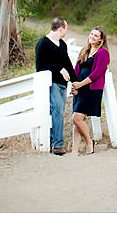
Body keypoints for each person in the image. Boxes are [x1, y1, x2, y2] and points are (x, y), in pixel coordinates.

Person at [34, 17, 77, 155]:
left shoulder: (62, 45)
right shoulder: (43, 44)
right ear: (61, 29)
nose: (66, 31)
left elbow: (68, 64)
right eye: (66, 29)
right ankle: (58, 145)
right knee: (57, 109)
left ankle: (53, 140)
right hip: (51, 83)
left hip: (63, 84)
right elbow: (40, 67)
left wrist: (75, 82)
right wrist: (58, 68)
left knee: (58, 113)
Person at [70, 26, 111, 156]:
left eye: (96, 36)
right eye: (91, 34)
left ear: (100, 40)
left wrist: (80, 84)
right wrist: (74, 86)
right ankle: (74, 150)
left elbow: (97, 73)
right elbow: (76, 70)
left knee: (77, 118)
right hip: (80, 89)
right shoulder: (84, 51)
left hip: (91, 89)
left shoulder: (103, 53)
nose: (92, 37)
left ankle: (89, 143)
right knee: (76, 119)